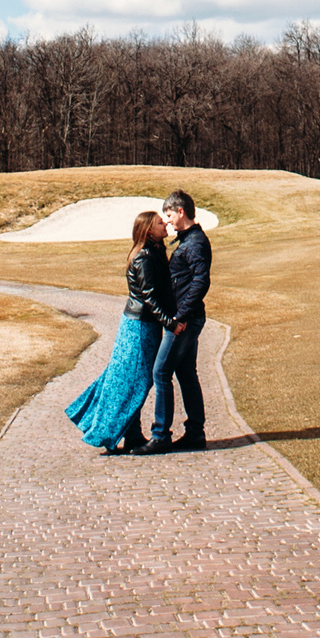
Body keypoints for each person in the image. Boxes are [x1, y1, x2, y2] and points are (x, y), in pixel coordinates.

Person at [65, 211, 173, 453]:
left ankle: (131, 434)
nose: (165, 223)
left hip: (144, 325)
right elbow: (149, 298)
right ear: (149, 230)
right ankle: (107, 432)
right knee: (132, 379)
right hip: (139, 327)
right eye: (160, 222)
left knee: (132, 379)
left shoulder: (154, 252)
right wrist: (170, 322)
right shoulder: (143, 257)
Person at [142, 189, 212, 453]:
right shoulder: (188, 240)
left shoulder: (194, 243)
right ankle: (195, 433)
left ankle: (161, 435)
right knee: (186, 373)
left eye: (169, 215)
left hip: (185, 321)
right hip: (188, 318)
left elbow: (200, 282)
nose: (168, 221)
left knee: (161, 372)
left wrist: (179, 317)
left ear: (181, 212)